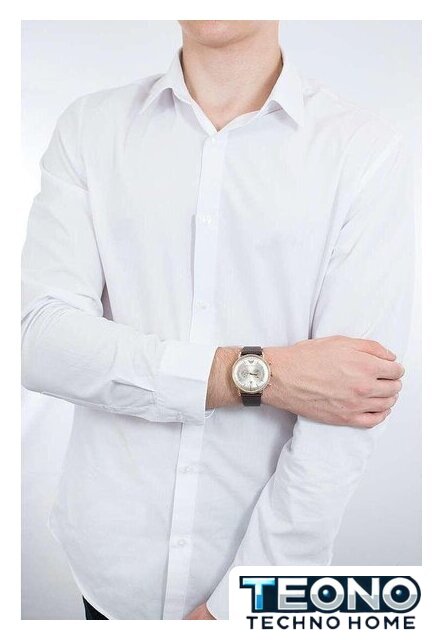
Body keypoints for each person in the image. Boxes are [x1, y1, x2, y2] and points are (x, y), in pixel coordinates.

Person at [21, 20, 414, 620]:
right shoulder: (90, 127)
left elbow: (353, 400)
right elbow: (43, 342)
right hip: (108, 568)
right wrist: (259, 374)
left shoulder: (362, 148)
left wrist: (242, 606)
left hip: (260, 582)